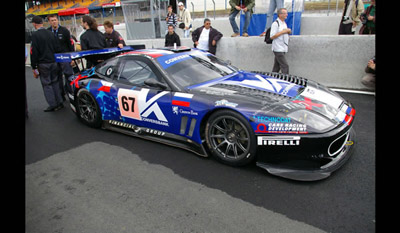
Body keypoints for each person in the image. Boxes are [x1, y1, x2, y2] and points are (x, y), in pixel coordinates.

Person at [30, 15, 64, 112]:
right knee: (55, 82)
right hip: (53, 61)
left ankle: (53, 104)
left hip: (43, 63)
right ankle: (60, 101)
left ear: (34, 24)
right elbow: (57, 48)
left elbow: (34, 51)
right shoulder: (50, 33)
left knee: (47, 84)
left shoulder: (35, 35)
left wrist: (34, 66)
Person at [47, 14, 74, 101]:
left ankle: (71, 94)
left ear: (58, 20)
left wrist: (72, 58)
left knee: (69, 76)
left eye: (55, 20)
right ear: (49, 22)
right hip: (54, 58)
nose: (54, 22)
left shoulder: (64, 31)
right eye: (52, 20)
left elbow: (70, 45)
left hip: (65, 57)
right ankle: (61, 96)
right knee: (57, 78)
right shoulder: (48, 32)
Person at [270, 8, 291, 74]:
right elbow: (272, 36)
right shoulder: (275, 24)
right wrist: (283, 32)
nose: (286, 15)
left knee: (276, 67)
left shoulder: (284, 23)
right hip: (278, 48)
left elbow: (285, 32)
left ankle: (272, 78)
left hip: (283, 47)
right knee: (285, 66)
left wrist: (288, 31)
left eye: (286, 13)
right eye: (284, 13)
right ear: (280, 14)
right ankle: (286, 80)